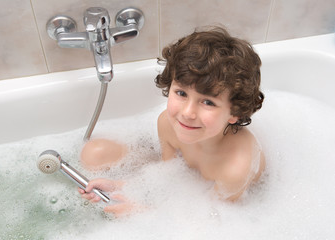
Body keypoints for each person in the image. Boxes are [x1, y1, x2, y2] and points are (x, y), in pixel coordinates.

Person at [79, 26, 265, 216]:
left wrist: (142, 212)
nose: (187, 113)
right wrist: (122, 187)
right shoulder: (168, 124)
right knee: (93, 153)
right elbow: (169, 175)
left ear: (235, 112)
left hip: (218, 206)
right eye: (181, 93)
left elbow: (208, 219)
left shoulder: (235, 168)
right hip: (192, 183)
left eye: (208, 102)